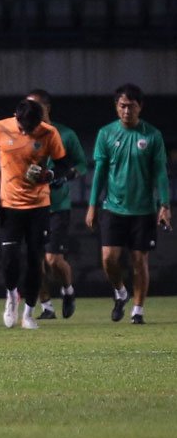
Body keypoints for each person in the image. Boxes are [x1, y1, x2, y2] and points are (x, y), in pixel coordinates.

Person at [86, 83, 171, 324]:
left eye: (131, 106)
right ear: (116, 107)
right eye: (122, 106)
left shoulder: (152, 135)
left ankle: (138, 310)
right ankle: (120, 292)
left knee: (139, 260)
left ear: (139, 107)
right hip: (113, 208)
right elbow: (100, 172)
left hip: (143, 210)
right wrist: (92, 205)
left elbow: (160, 174)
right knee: (108, 259)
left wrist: (164, 204)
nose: (126, 111)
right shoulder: (106, 134)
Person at [0, 99, 68, 329]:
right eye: (25, 127)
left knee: (35, 260)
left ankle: (28, 313)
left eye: (33, 127)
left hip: (38, 206)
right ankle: (11, 296)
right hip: (9, 205)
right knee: (9, 260)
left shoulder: (48, 132)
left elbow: (64, 164)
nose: (29, 131)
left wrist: (50, 174)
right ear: (16, 116)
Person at [25, 89, 87, 320]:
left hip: (57, 205)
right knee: (35, 260)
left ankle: (68, 290)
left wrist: (65, 175)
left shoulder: (66, 134)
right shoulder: (24, 134)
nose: (30, 112)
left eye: (35, 107)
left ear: (46, 108)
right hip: (30, 204)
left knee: (53, 259)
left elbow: (81, 164)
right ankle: (47, 306)